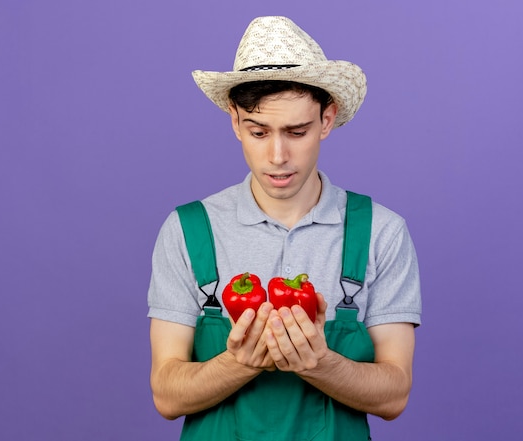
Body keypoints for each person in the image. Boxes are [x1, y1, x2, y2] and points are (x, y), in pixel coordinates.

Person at [147, 16, 421, 441]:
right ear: (235, 122)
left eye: (297, 131)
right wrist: (240, 362)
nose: (277, 155)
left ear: (327, 120)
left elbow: (394, 394)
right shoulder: (188, 229)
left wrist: (321, 362)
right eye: (259, 132)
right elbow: (166, 394)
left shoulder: (381, 231)